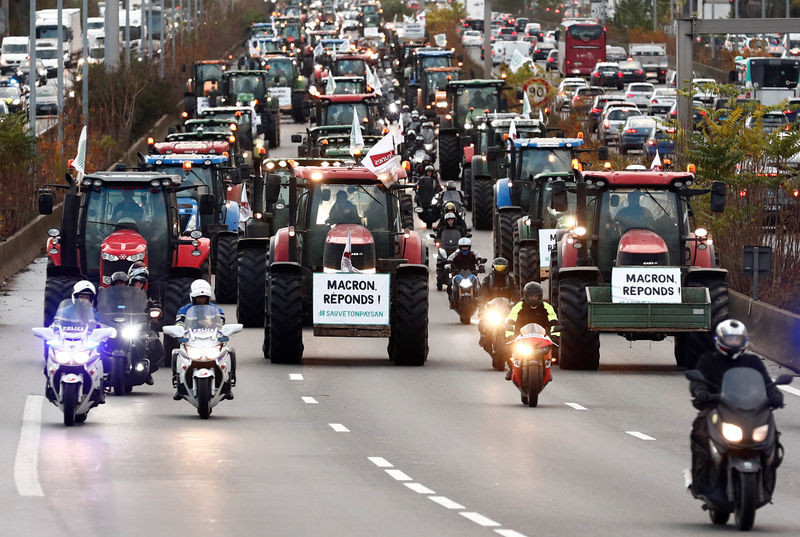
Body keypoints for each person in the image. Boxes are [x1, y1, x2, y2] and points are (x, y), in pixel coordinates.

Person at [687, 319, 784, 496]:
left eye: (737, 339)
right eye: (730, 339)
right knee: (700, 432)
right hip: (717, 409)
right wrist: (701, 392)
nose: (734, 343)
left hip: (750, 410)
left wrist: (775, 394)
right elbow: (697, 380)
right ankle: (701, 479)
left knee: (772, 435)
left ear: (744, 341)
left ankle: (767, 477)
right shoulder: (708, 360)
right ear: (721, 340)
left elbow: (766, 383)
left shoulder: (753, 362)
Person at [173, 280, 235, 400]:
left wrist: (212, 323)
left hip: (211, 339)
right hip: (191, 340)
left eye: (203, 297)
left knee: (230, 352)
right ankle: (179, 385)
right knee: (176, 353)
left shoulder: (216, 309)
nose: (201, 299)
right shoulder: (184, 310)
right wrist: (179, 331)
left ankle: (228, 385)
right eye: (198, 297)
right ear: (192, 296)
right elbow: (179, 324)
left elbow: (221, 325)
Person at [504, 282, 559, 380]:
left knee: (552, 351)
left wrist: (555, 336)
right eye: (531, 296)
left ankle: (547, 370)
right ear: (525, 296)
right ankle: (511, 368)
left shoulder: (547, 307)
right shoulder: (519, 306)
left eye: (536, 297)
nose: (533, 299)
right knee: (508, 349)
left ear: (540, 296)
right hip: (521, 336)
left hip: (541, 337)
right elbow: (510, 321)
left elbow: (554, 321)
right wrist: (510, 336)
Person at [446, 237, 481, 307]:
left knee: (480, 286)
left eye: (466, 247)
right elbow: (449, 260)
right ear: (460, 247)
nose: (464, 249)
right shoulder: (456, 254)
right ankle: (452, 301)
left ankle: (479, 300)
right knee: (449, 285)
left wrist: (481, 266)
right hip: (458, 274)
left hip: (471, 274)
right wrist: (448, 266)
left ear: (469, 247)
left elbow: (479, 260)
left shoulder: (474, 254)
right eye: (463, 247)